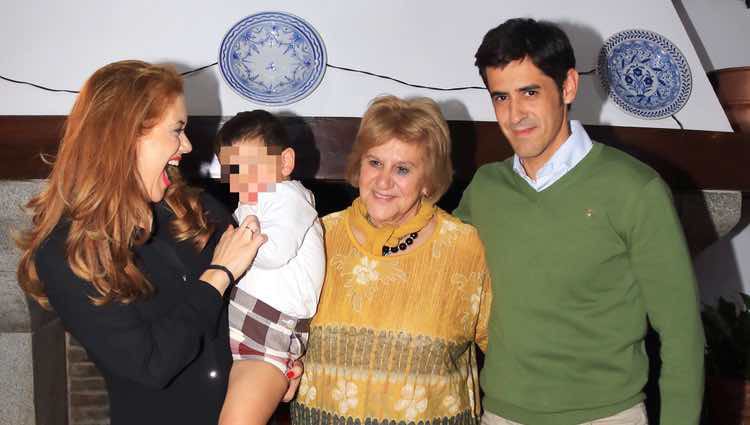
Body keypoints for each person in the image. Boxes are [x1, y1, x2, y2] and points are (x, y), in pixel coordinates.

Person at [455, 18, 704, 425]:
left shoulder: (635, 189)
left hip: (608, 416)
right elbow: (432, 263)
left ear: (568, 86)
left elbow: (682, 335)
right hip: (501, 415)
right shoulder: (486, 188)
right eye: (501, 97)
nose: (515, 114)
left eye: (529, 92)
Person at [14, 60, 281, 425]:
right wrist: (219, 274)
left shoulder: (196, 208)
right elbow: (151, 364)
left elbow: (262, 300)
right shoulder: (67, 253)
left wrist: (281, 361)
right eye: (177, 130)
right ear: (125, 137)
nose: (186, 146)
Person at [290, 95, 492, 425]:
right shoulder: (318, 237)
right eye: (374, 163)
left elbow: (506, 348)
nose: (384, 181)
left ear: (428, 180)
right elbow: (279, 332)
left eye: (402, 169)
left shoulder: (465, 249)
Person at [207, 110, 325, 425]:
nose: (240, 178)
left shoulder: (287, 197)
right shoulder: (252, 204)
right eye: (233, 169)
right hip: (249, 329)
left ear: (284, 163)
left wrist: (228, 251)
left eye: (250, 167)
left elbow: (274, 252)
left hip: (270, 337)